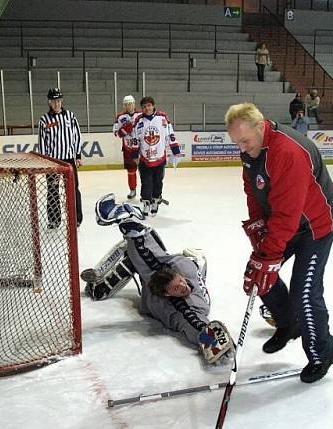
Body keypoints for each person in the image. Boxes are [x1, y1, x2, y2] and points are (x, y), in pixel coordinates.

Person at [225, 102, 333, 384]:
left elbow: (288, 214)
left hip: (315, 225)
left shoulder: (288, 152)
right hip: (285, 222)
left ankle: (324, 351)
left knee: (305, 291)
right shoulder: (252, 150)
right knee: (258, 275)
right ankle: (288, 324)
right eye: (236, 142)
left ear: (260, 125)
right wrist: (257, 227)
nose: (241, 148)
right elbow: (253, 191)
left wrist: (270, 253)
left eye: (244, 140)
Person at [82, 193, 235, 365]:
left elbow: (192, 321)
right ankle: (132, 228)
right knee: (157, 262)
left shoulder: (180, 296)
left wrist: (208, 338)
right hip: (170, 267)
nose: (183, 287)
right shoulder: (184, 266)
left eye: (180, 284)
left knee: (151, 266)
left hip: (157, 289)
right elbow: (160, 261)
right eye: (178, 286)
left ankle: (131, 233)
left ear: (168, 293)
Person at [37, 88, 83, 227]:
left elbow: (77, 136)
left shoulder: (70, 116)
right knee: (52, 190)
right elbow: (42, 141)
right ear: (49, 102)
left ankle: (76, 218)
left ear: (61, 101)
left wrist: (78, 155)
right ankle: (54, 220)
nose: (56, 104)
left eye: (58, 101)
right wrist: (46, 161)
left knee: (73, 189)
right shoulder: (44, 120)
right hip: (53, 162)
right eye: (53, 101)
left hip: (69, 160)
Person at [131, 96, 181, 217]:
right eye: (144, 107)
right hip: (145, 158)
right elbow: (135, 138)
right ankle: (146, 202)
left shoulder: (162, 117)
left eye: (149, 105)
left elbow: (170, 134)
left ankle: (155, 200)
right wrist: (134, 154)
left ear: (153, 105)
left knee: (158, 182)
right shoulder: (138, 121)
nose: (147, 108)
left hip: (159, 157)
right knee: (146, 182)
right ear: (142, 109)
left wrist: (175, 149)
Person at [112, 95, 140, 199]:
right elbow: (115, 132)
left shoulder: (141, 114)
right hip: (128, 148)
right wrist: (123, 130)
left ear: (134, 103)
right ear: (124, 105)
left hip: (141, 148)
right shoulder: (120, 117)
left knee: (145, 171)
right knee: (131, 170)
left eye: (131, 103)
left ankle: (147, 191)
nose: (129, 106)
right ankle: (133, 190)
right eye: (127, 104)